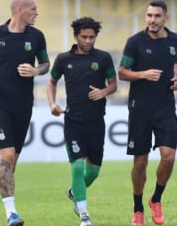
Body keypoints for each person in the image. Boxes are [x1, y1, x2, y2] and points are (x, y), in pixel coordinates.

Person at [0, 0, 50, 226]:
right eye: (33, 8)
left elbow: (46, 64)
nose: (37, 12)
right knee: (5, 156)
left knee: (10, 164)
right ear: (19, 10)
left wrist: (36, 71)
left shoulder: (36, 36)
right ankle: (12, 213)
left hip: (24, 105)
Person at [118, 0, 177, 226]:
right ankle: (137, 209)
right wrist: (143, 74)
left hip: (166, 108)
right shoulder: (135, 42)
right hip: (140, 110)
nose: (152, 20)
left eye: (157, 16)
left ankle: (155, 199)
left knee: (169, 158)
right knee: (140, 162)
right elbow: (122, 73)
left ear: (165, 18)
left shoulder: (175, 40)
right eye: (149, 15)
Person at [47, 17, 117, 226]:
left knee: (93, 172)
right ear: (76, 36)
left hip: (96, 122)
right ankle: (84, 215)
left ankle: (74, 192)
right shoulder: (63, 59)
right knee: (77, 168)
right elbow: (52, 81)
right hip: (73, 122)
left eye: (92, 37)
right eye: (84, 37)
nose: (88, 40)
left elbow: (113, 84)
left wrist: (104, 91)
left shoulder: (104, 58)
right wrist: (52, 103)